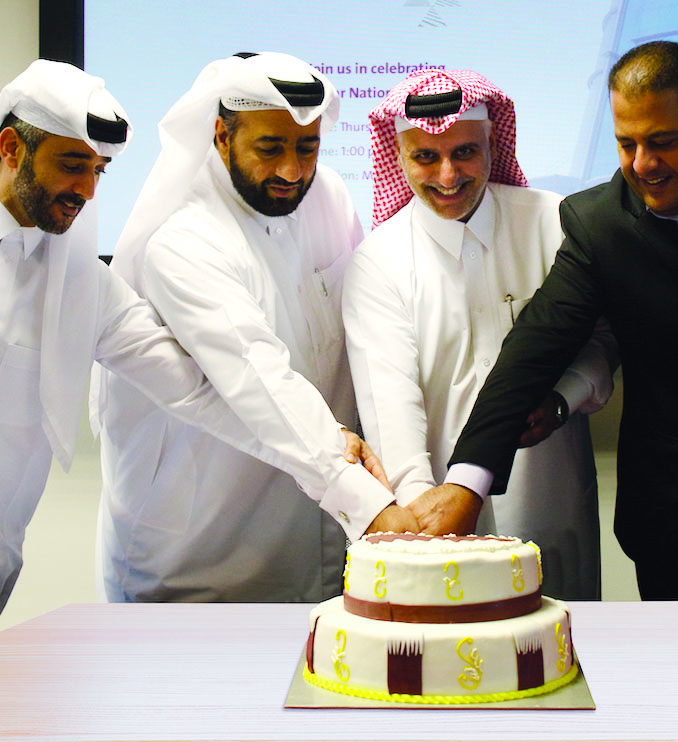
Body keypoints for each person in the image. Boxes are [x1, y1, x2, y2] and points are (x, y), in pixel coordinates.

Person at [418, 41, 678, 599]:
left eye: (663, 142)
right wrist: (466, 483)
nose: (643, 164)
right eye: (626, 143)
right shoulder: (602, 225)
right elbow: (535, 345)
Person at [0, 59, 390, 612]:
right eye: (71, 165)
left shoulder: (76, 275)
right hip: (181, 570)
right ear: (11, 148)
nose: (87, 190)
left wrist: (336, 454)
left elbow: (197, 390)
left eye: (99, 170)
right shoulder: (183, 237)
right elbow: (248, 365)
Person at [94, 52, 415, 604]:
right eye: (270, 148)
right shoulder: (183, 238)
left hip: (320, 537)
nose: (292, 170)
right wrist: (371, 507)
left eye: (307, 147)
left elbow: (367, 328)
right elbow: (258, 376)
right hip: (201, 554)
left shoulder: (329, 197)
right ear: (221, 136)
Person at [342, 70, 617, 599]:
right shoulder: (378, 260)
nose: (447, 175)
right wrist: (422, 518)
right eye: (425, 157)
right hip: (430, 525)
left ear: (493, 141)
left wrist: (562, 400)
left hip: (550, 498)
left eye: (465, 151)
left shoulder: (552, 222)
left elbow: (602, 343)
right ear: (396, 155)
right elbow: (390, 403)